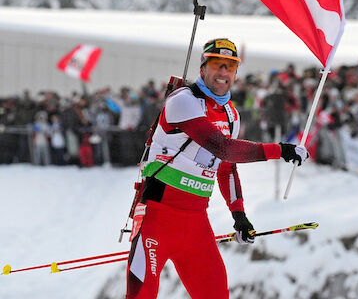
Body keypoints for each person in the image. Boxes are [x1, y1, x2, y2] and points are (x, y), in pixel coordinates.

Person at [126, 38, 309, 299]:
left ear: (236, 74)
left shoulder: (231, 114)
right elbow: (222, 147)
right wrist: (280, 150)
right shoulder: (183, 100)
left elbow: (226, 168)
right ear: (203, 68)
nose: (223, 72)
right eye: (216, 65)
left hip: (197, 223)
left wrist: (239, 215)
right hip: (158, 216)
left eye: (230, 67)